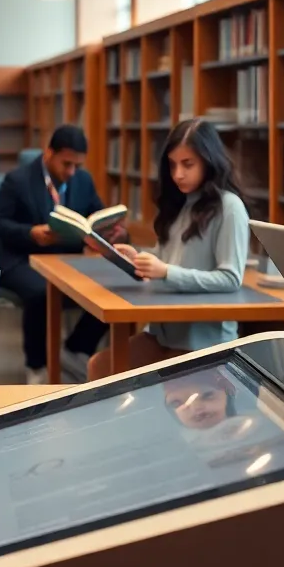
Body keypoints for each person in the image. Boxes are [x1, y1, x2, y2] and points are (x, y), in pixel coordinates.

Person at [91, 118, 250, 379]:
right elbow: (172, 259)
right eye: (173, 164)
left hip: (203, 341)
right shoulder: (182, 204)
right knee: (100, 367)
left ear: (209, 162)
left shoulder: (229, 207)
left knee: (154, 384)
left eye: (188, 164)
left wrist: (164, 271)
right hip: (165, 334)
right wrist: (142, 257)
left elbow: (231, 278)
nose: (178, 174)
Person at [0, 125, 121, 383]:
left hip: (68, 258)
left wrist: (111, 232)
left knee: (113, 286)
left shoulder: (83, 180)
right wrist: (31, 232)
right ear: (49, 153)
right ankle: (37, 365)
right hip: (21, 258)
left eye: (77, 166)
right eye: (66, 164)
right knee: (41, 292)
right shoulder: (18, 180)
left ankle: (76, 350)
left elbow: (98, 216)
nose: (71, 172)